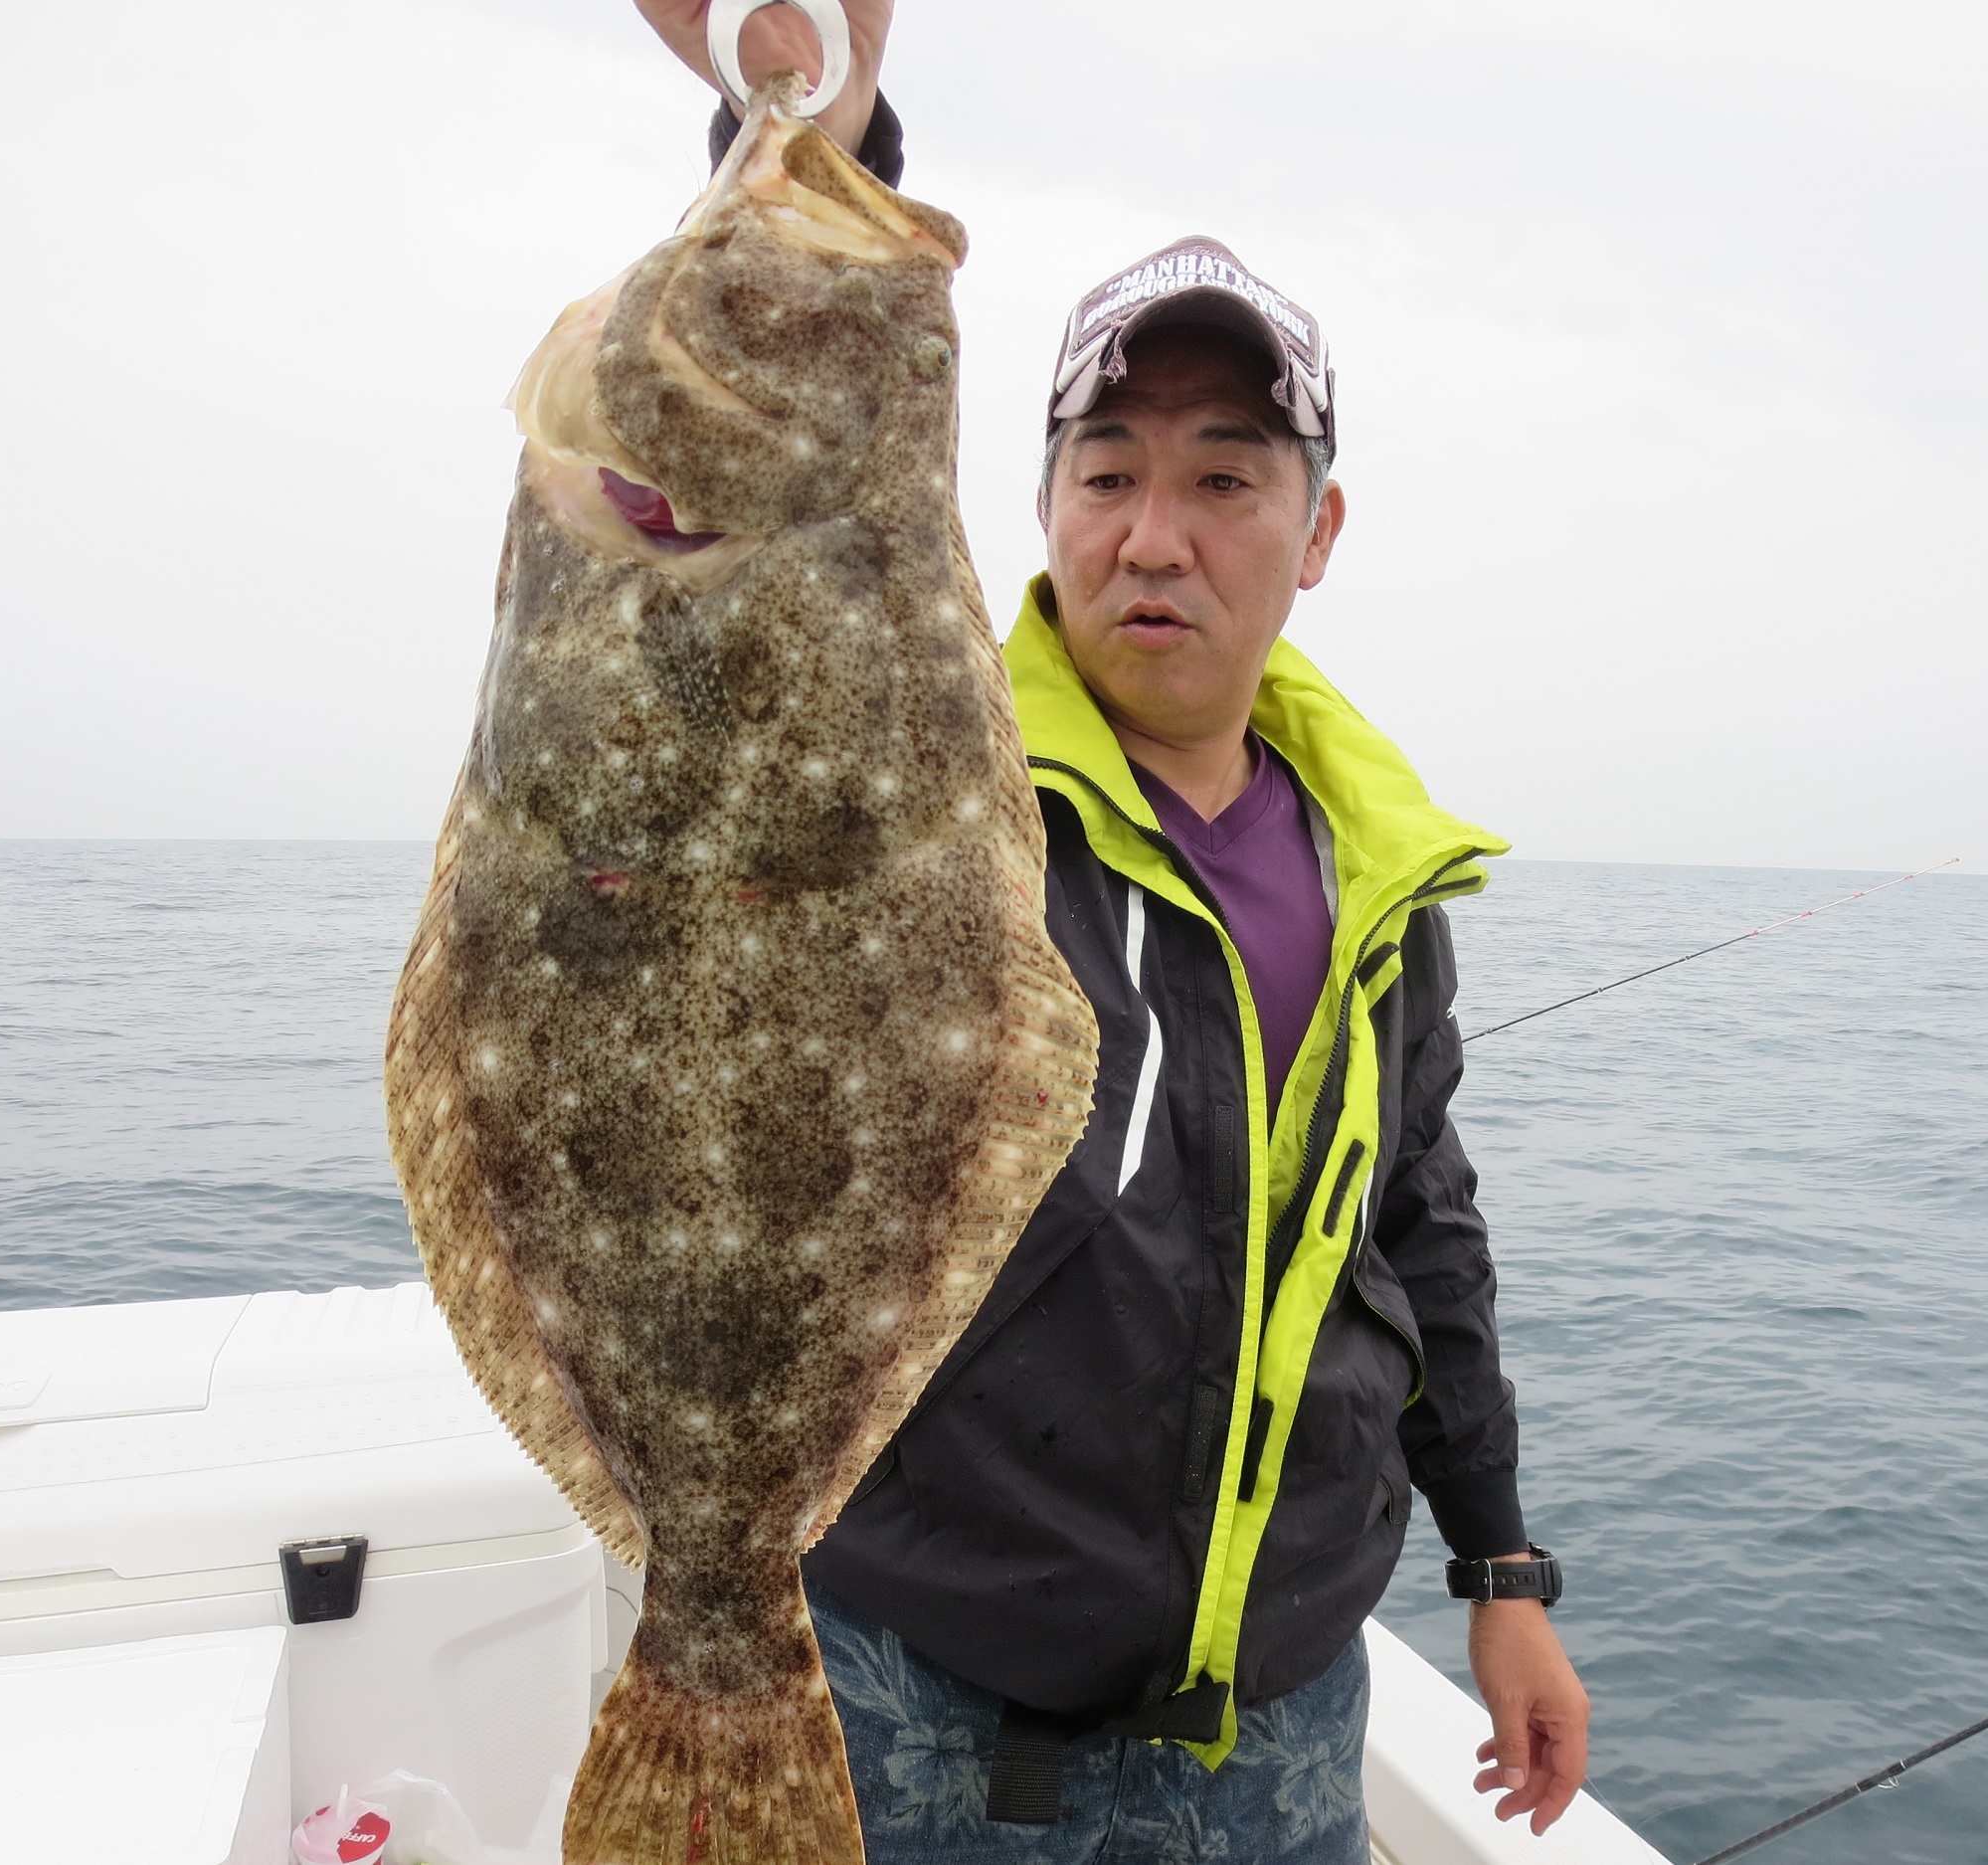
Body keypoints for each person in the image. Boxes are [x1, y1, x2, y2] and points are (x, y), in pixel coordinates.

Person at [636, 4, 1593, 1856]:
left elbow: (1418, 1221)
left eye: (1225, 477)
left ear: (1319, 530)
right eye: (1107, 473)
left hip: (1284, 1726)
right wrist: (818, 147)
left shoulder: (1376, 868)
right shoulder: (917, 773)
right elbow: (768, 533)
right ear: (1044, 504)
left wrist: (1501, 1566)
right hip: (929, 1708)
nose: (1156, 536)